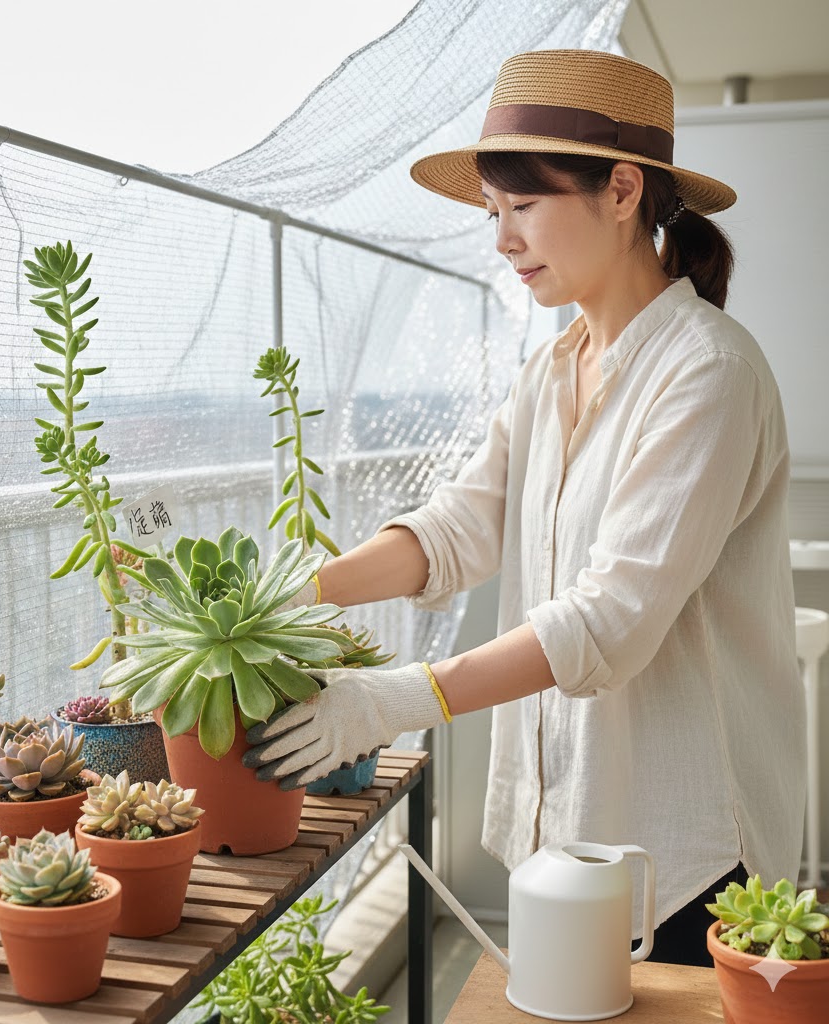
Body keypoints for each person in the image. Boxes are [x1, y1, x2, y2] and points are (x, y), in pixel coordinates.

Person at [242, 49, 806, 967]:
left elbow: (611, 618)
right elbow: (461, 526)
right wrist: (296, 598)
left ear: (623, 191)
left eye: (525, 206)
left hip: (687, 848)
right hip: (566, 821)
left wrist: (400, 698)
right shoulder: (552, 370)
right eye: (495, 212)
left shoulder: (708, 373)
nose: (503, 239)